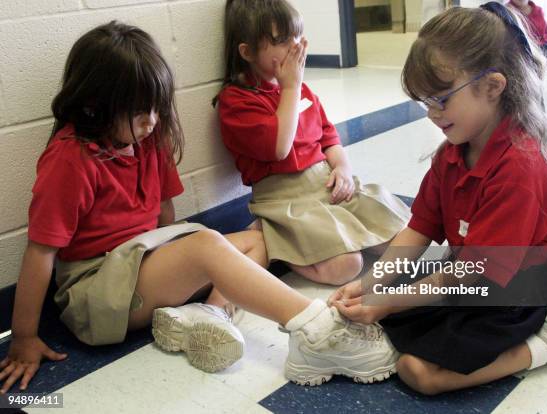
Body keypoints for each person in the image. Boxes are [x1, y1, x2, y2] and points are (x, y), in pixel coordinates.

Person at [0, 21, 398, 394]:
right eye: (139, 113)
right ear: (93, 107)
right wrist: (23, 338)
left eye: (156, 108)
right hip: (96, 290)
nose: (152, 121)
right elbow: (40, 252)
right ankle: (316, 328)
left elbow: (164, 216)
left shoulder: (147, 141)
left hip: (141, 264)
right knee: (207, 245)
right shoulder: (70, 160)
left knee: (260, 238)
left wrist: (175, 268)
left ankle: (205, 316)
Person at [328, 3, 547, 395]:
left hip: (520, 291)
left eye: (441, 99)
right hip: (472, 275)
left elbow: (470, 276)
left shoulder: (519, 170)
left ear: (493, 87)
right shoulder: (451, 153)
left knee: (420, 374)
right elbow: (419, 228)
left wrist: (388, 301)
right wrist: (372, 283)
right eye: (424, 102)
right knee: (391, 319)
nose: (431, 114)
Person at [215, 0, 412, 286]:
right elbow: (279, 148)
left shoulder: (302, 89)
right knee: (347, 265)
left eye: (297, 36)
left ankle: (343, 234)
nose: (296, 47)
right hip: (285, 200)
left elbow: (329, 136)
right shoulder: (236, 100)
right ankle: (278, 242)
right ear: (247, 52)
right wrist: (291, 87)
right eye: (282, 41)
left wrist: (342, 169)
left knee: (400, 235)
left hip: (325, 184)